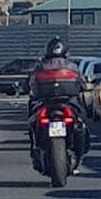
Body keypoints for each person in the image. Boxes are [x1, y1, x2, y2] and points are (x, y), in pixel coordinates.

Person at [28, 36, 89, 170]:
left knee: (32, 123)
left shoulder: (40, 66)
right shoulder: (72, 66)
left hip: (47, 104)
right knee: (81, 122)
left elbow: (30, 84)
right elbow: (83, 84)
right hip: (68, 104)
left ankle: (37, 151)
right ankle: (77, 153)